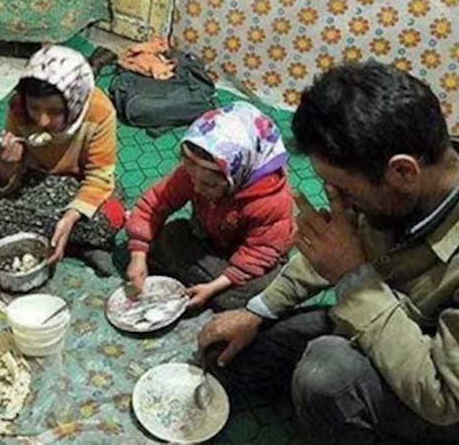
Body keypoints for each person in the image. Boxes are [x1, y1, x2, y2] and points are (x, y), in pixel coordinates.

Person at [197, 62, 459, 444]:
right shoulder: (399, 185)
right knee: (227, 355)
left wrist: (355, 279)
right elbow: (334, 247)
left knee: (326, 374)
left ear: (403, 172)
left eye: (343, 189)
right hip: (385, 314)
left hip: (440, 389)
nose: (336, 200)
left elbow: (443, 398)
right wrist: (257, 311)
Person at [125, 102, 294, 311]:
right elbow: (153, 204)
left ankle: (206, 284)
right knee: (170, 234)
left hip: (256, 258)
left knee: (235, 298)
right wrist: (138, 255)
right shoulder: (195, 174)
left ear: (236, 174)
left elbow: (260, 252)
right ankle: (201, 279)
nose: (196, 187)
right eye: (191, 177)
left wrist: (213, 287)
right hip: (211, 241)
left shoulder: (271, 201)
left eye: (209, 185)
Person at [0, 45, 125, 274]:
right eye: (35, 108)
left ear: (73, 104)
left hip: (79, 185)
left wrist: (71, 217)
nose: (42, 121)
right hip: (37, 182)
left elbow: (99, 175)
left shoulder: (99, 112)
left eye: (54, 111)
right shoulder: (19, 108)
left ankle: (57, 237)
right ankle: (77, 244)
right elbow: (7, 181)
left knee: (111, 215)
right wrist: (7, 164)